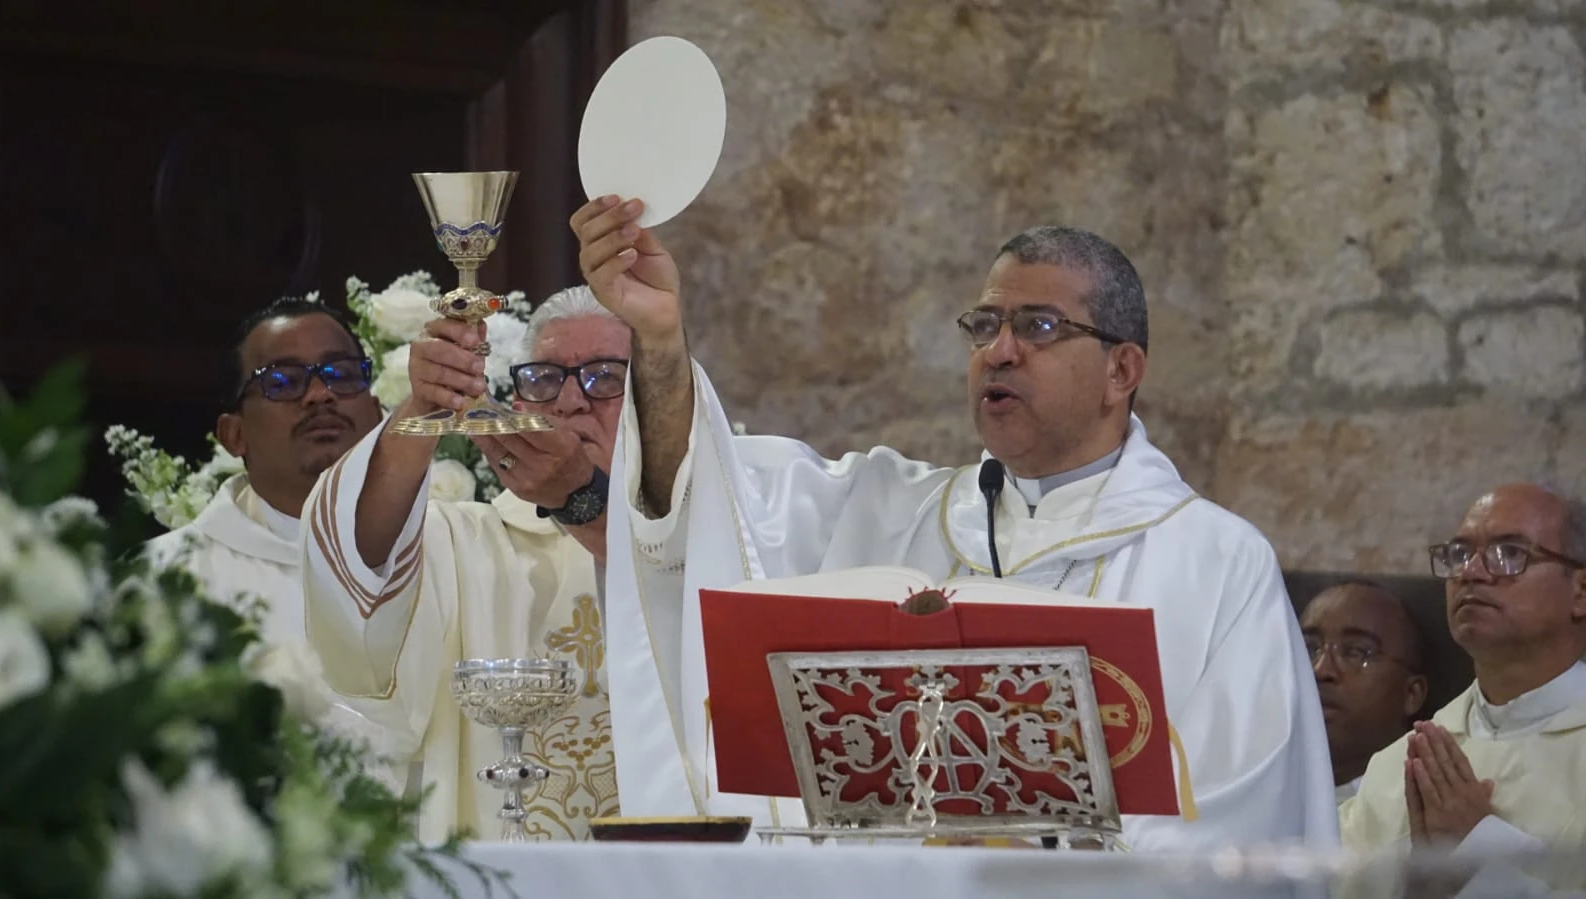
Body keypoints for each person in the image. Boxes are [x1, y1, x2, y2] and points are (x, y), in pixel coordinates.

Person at [569, 195, 1337, 850]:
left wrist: (1024, 858)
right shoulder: (894, 511)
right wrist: (660, 342)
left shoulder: (1215, 562)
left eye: (1037, 327)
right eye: (983, 325)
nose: (997, 352)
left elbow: (1244, 823)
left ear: (1121, 370)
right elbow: (707, 505)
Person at [299, 285, 626, 842]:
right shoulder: (463, 543)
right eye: (544, 378)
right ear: (517, 404)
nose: (570, 402)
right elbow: (353, 568)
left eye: (605, 378)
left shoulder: (701, 543)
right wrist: (424, 406)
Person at [1341, 483, 1586, 890]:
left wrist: (1479, 849)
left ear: (1580, 591)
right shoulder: (1398, 764)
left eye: (1510, 554)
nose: (1470, 572)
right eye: (1459, 554)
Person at [147, 297, 383, 641]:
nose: (319, 394)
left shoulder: (449, 553)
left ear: (378, 415)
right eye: (284, 382)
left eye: (342, 375)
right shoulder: (167, 577)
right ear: (234, 435)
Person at [1301, 581, 1429, 802]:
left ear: (1411, 694)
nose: (1320, 670)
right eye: (1309, 649)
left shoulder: (1429, 815)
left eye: (1357, 652)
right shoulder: (1247, 788)